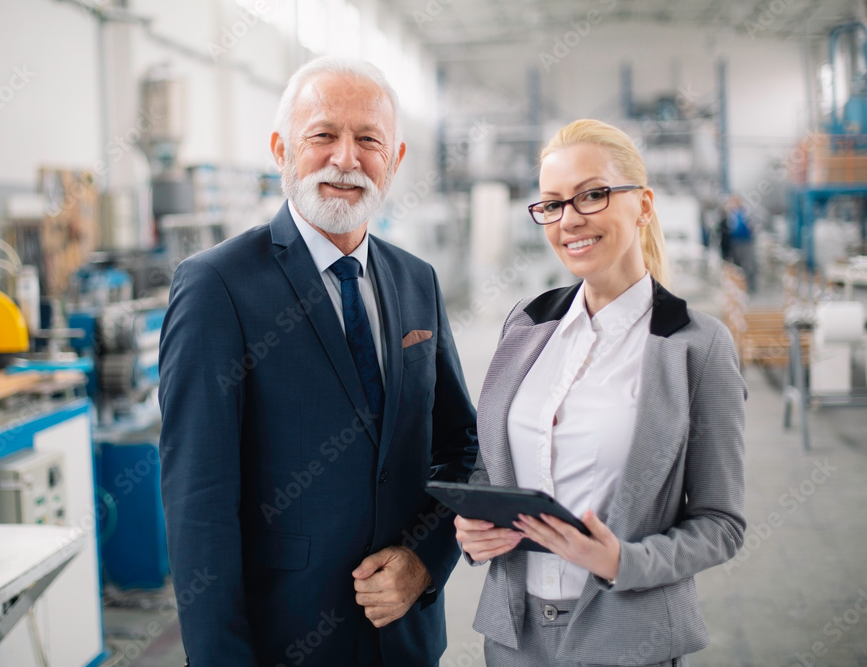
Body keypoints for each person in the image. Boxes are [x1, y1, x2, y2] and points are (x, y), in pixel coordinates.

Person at [158, 56, 478, 667]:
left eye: (369, 141)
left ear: (396, 160)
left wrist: (423, 561)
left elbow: (461, 447)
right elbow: (199, 504)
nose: (347, 159)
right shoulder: (217, 286)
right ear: (282, 148)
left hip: (405, 638)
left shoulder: (416, 281)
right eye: (324, 135)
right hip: (287, 641)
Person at [454, 119, 747, 666]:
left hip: (628, 639)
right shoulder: (525, 325)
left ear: (644, 204)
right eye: (552, 204)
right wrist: (474, 528)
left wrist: (622, 561)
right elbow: (492, 469)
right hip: (512, 638)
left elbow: (721, 524)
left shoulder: (694, 346)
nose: (570, 220)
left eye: (592, 195)